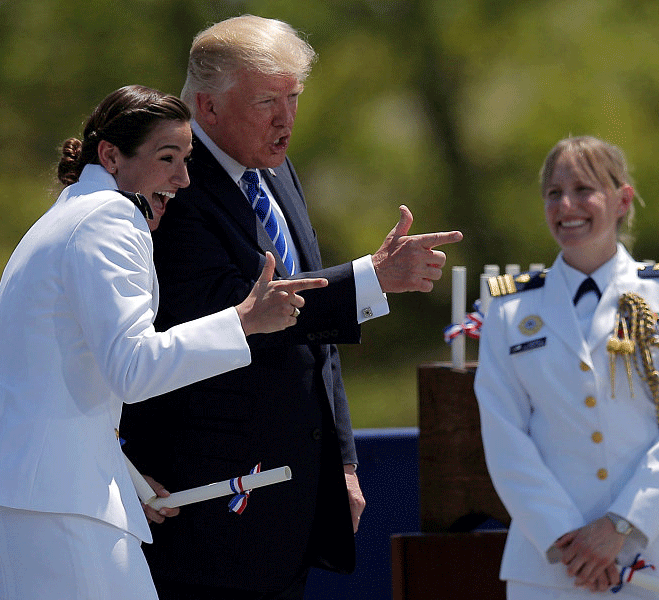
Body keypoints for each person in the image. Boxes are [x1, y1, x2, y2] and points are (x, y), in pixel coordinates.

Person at [118, 15, 463, 600]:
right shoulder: (172, 183)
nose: (286, 119)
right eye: (266, 102)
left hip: (289, 503)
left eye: (294, 98)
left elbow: (316, 344)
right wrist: (369, 279)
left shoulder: (272, 170)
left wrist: (344, 462)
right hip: (205, 508)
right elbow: (240, 314)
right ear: (208, 106)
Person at [0, 85, 326, 600]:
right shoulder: (110, 216)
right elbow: (133, 368)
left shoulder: (66, 216)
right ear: (111, 157)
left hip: (29, 495)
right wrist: (242, 321)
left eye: (187, 160)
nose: (183, 179)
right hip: (54, 504)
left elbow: (68, 377)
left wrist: (119, 475)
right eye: (167, 158)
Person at [474, 136, 659, 599]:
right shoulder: (510, 311)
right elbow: (504, 435)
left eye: (583, 189)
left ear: (622, 200)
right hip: (554, 565)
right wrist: (567, 539)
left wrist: (621, 526)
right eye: (554, 193)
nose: (566, 206)